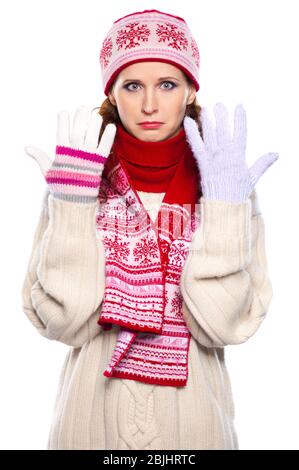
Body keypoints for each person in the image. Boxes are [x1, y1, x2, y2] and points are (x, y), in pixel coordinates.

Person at [21, 9, 279, 450]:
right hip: (87, 434)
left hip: (196, 434)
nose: (149, 105)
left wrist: (223, 209)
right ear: (112, 93)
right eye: (133, 85)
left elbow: (226, 325)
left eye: (167, 84)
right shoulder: (78, 180)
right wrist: (70, 205)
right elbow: (63, 323)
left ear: (191, 90)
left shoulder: (226, 186)